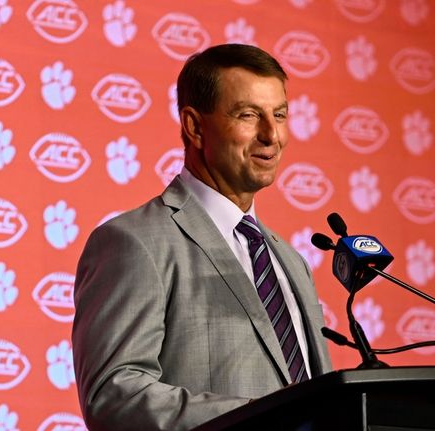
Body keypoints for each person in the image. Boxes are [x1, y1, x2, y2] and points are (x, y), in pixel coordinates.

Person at [71, 44, 332, 430]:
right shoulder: (135, 242)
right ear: (194, 126)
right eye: (248, 115)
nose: (271, 135)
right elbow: (114, 394)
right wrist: (264, 418)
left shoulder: (291, 261)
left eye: (279, 115)